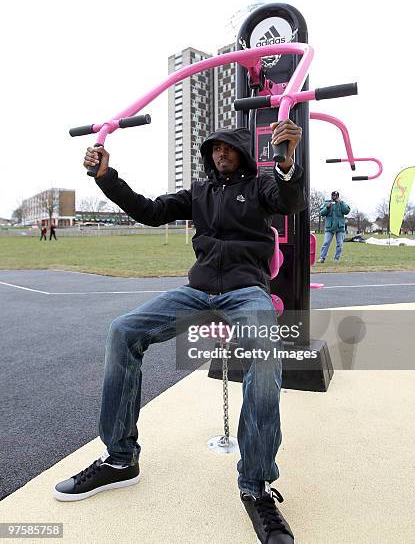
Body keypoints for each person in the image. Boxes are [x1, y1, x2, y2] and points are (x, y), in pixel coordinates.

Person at [54, 119, 307, 544]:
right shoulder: (200, 192)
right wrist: (106, 178)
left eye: (228, 148)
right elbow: (151, 211)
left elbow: (289, 199)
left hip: (247, 292)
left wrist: (286, 162)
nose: (220, 153)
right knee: (123, 331)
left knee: (265, 356)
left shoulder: (261, 186)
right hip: (199, 290)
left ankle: (256, 485)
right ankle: (120, 459)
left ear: (242, 152)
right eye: (214, 149)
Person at [318, 191, 350, 262]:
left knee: (340, 244)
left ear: (338, 196)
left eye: (336, 196)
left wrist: (341, 203)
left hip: (340, 227)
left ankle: (336, 258)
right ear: (331, 196)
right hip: (329, 227)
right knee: (326, 243)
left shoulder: (342, 203)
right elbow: (321, 213)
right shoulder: (326, 203)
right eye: (333, 195)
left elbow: (347, 211)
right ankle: (322, 258)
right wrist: (327, 207)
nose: (334, 197)